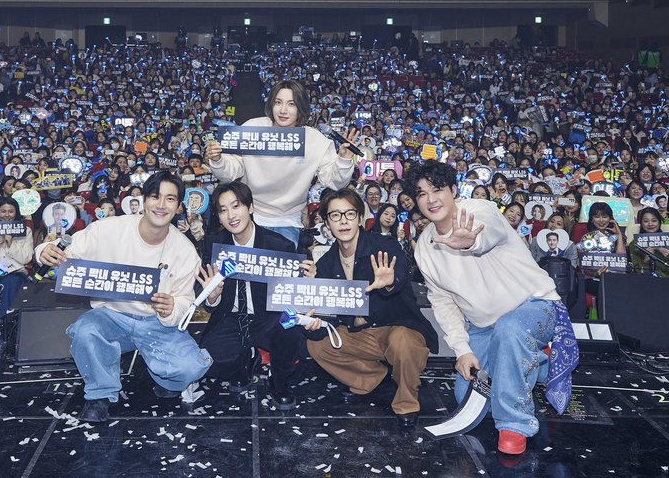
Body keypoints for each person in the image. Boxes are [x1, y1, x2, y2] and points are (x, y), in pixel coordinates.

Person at [405, 161, 576, 456]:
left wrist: (470, 242)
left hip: (535, 305)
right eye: (422, 194)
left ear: (453, 190)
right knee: (469, 397)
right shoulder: (424, 248)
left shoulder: (480, 210)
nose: (431, 199)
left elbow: (488, 233)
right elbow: (443, 301)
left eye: (437, 189)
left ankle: (515, 425)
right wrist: (462, 350)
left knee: (510, 332)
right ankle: (537, 363)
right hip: (484, 326)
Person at [35, 171, 211, 422]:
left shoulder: (185, 250)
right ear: (144, 200)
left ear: (179, 206)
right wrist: (44, 250)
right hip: (112, 316)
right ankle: (101, 393)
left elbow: (184, 302)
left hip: (156, 324)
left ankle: (163, 377)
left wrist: (172, 307)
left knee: (190, 369)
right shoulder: (108, 229)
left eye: (170, 199)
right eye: (155, 197)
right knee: (86, 330)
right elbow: (65, 250)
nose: (161, 205)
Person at [305, 188, 437, 429]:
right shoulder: (325, 263)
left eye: (349, 214)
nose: (343, 221)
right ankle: (371, 377)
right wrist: (315, 321)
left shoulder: (384, 245)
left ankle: (407, 402)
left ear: (359, 217)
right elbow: (329, 314)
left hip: (396, 327)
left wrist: (389, 282)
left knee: (403, 343)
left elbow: (398, 275)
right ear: (327, 223)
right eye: (335, 215)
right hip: (358, 334)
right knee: (317, 344)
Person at [195, 181, 311, 410]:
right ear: (218, 217)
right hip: (231, 317)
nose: (231, 215)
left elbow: (294, 293)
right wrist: (212, 295)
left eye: (236, 206)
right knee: (208, 362)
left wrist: (308, 282)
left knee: (289, 331)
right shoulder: (215, 244)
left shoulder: (279, 245)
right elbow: (206, 300)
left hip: (267, 317)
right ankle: (247, 359)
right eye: (223, 210)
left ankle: (279, 382)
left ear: (250, 207)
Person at [206, 80, 358, 245]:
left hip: (287, 220)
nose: (283, 110)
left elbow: (335, 182)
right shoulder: (252, 128)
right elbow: (231, 172)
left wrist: (344, 159)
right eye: (278, 102)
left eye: (291, 104)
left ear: (301, 108)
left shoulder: (315, 140)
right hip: (249, 215)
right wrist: (218, 160)